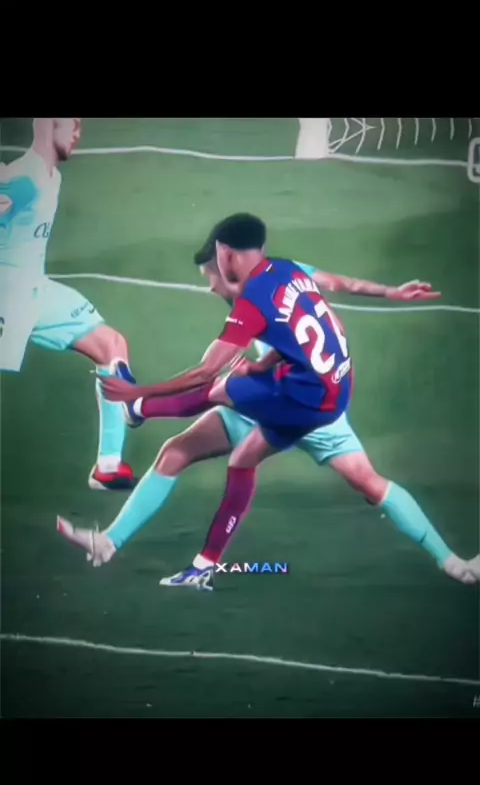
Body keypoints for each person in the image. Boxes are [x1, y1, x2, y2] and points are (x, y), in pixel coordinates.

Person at [57, 214, 480, 587]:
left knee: (221, 388)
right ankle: (119, 543)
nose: (210, 287)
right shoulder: (289, 270)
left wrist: (139, 393)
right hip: (309, 396)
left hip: (298, 404)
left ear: (227, 259)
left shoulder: (252, 303)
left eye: (210, 276)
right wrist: (391, 292)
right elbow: (336, 286)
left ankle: (136, 410)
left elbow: (207, 372)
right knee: (193, 453)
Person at [0, 118, 137, 490]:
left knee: (112, 346)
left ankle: (108, 467)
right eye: (70, 126)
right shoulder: (25, 179)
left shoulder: (50, 177)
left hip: (37, 290)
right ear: (48, 125)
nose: (78, 134)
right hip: (8, 297)